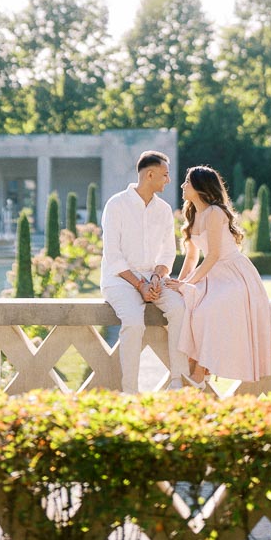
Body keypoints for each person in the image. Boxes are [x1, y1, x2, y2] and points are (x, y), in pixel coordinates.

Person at [169, 165, 271, 387]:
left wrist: (186, 284)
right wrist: (178, 283)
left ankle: (201, 373)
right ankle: (198, 368)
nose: (183, 186)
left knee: (208, 309)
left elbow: (212, 256)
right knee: (190, 306)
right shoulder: (192, 214)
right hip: (212, 275)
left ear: (200, 187)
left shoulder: (215, 212)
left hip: (234, 274)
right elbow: (192, 258)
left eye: (187, 183)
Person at [101, 150, 191, 392]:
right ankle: (130, 391)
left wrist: (155, 278)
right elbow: (113, 256)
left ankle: (177, 382)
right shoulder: (116, 205)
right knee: (133, 322)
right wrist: (139, 285)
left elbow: (167, 254)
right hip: (119, 280)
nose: (168, 180)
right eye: (165, 175)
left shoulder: (163, 209)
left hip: (153, 279)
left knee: (180, 309)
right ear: (150, 174)